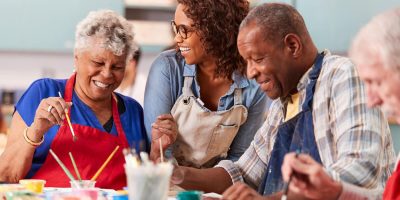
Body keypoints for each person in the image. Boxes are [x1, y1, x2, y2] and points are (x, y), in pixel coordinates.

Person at [163, 3, 395, 199]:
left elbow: (362, 170)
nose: (251, 72)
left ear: (292, 46)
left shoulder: (341, 74)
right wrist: (176, 173)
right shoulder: (282, 103)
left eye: (258, 59)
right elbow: (243, 174)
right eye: (247, 62)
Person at [0, 10, 149, 190]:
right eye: (98, 63)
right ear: (77, 57)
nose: (107, 74)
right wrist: (36, 131)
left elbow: (144, 182)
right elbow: (6, 175)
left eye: (117, 66)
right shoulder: (43, 92)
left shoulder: (134, 111)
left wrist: (159, 148)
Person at [281, 7, 400, 200]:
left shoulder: (342, 73)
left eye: (376, 82)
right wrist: (334, 191)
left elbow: (363, 168)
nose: (372, 100)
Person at [144, 0, 268, 168]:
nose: (177, 38)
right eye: (176, 27)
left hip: (217, 189)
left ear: (214, 30)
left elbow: (240, 159)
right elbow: (159, 155)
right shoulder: (167, 68)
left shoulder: (253, 82)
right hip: (168, 184)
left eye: (185, 30)